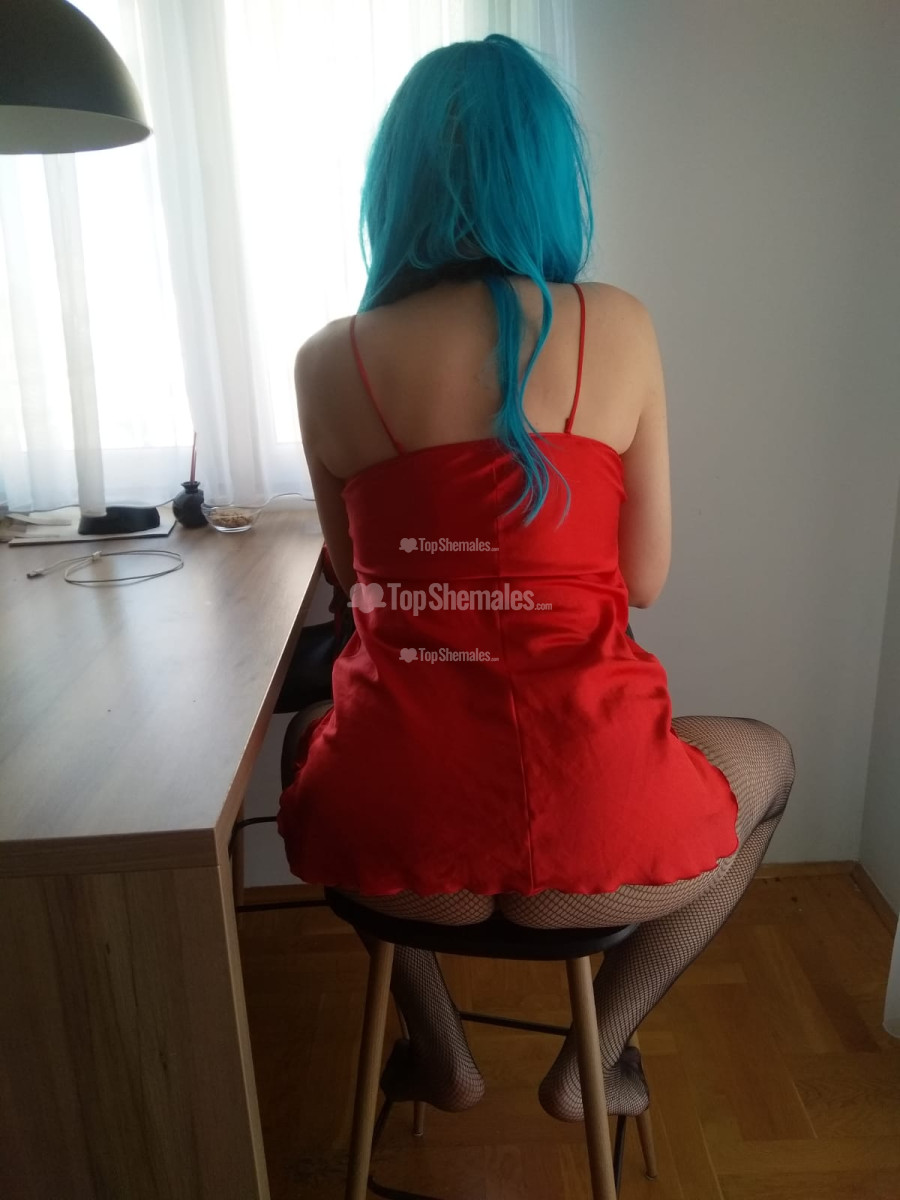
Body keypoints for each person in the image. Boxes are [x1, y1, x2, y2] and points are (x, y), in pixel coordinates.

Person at [277, 33, 795, 1123]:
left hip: (404, 834)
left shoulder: (327, 361)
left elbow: (358, 577)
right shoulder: (617, 323)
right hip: (596, 824)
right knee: (772, 764)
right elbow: (644, 577)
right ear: (550, 177)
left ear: (394, 186)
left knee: (308, 740)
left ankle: (442, 1056)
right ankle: (597, 1055)